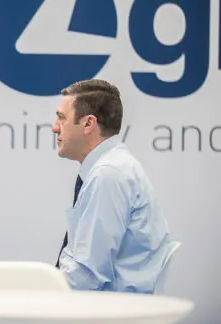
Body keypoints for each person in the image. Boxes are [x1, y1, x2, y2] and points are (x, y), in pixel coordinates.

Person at [52, 79, 171, 293]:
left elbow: (86, 278)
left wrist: (41, 294)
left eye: (61, 118)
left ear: (88, 124)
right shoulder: (111, 166)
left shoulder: (107, 175)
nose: (54, 128)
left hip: (108, 307)